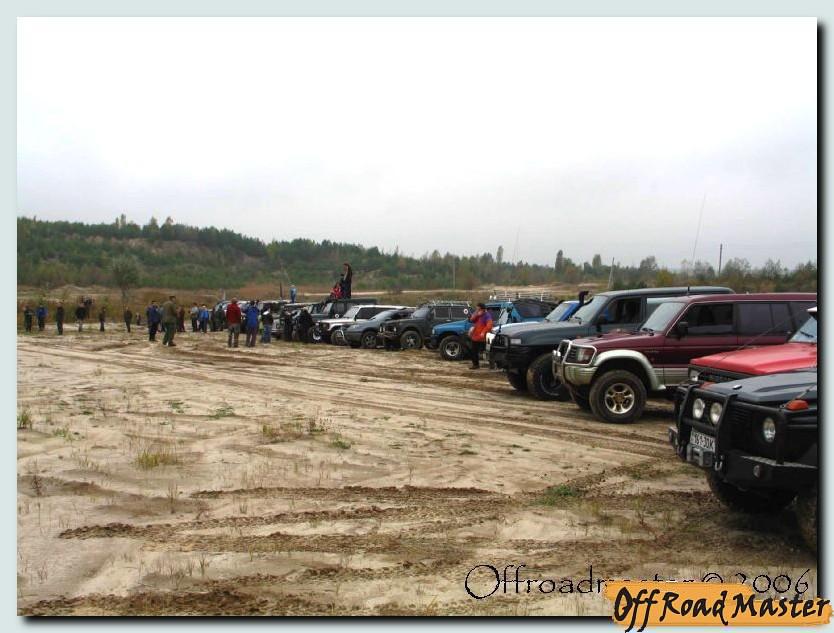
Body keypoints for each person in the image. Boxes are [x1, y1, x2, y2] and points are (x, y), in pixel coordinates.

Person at [468, 302, 494, 369]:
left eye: (479, 309)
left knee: (488, 351)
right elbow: (471, 320)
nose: (477, 310)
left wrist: (483, 332)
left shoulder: (487, 316)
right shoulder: (477, 314)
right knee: (473, 351)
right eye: (477, 309)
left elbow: (489, 325)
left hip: (484, 337)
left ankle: (492, 365)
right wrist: (476, 314)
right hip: (476, 337)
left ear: (483, 309)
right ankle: (475, 365)